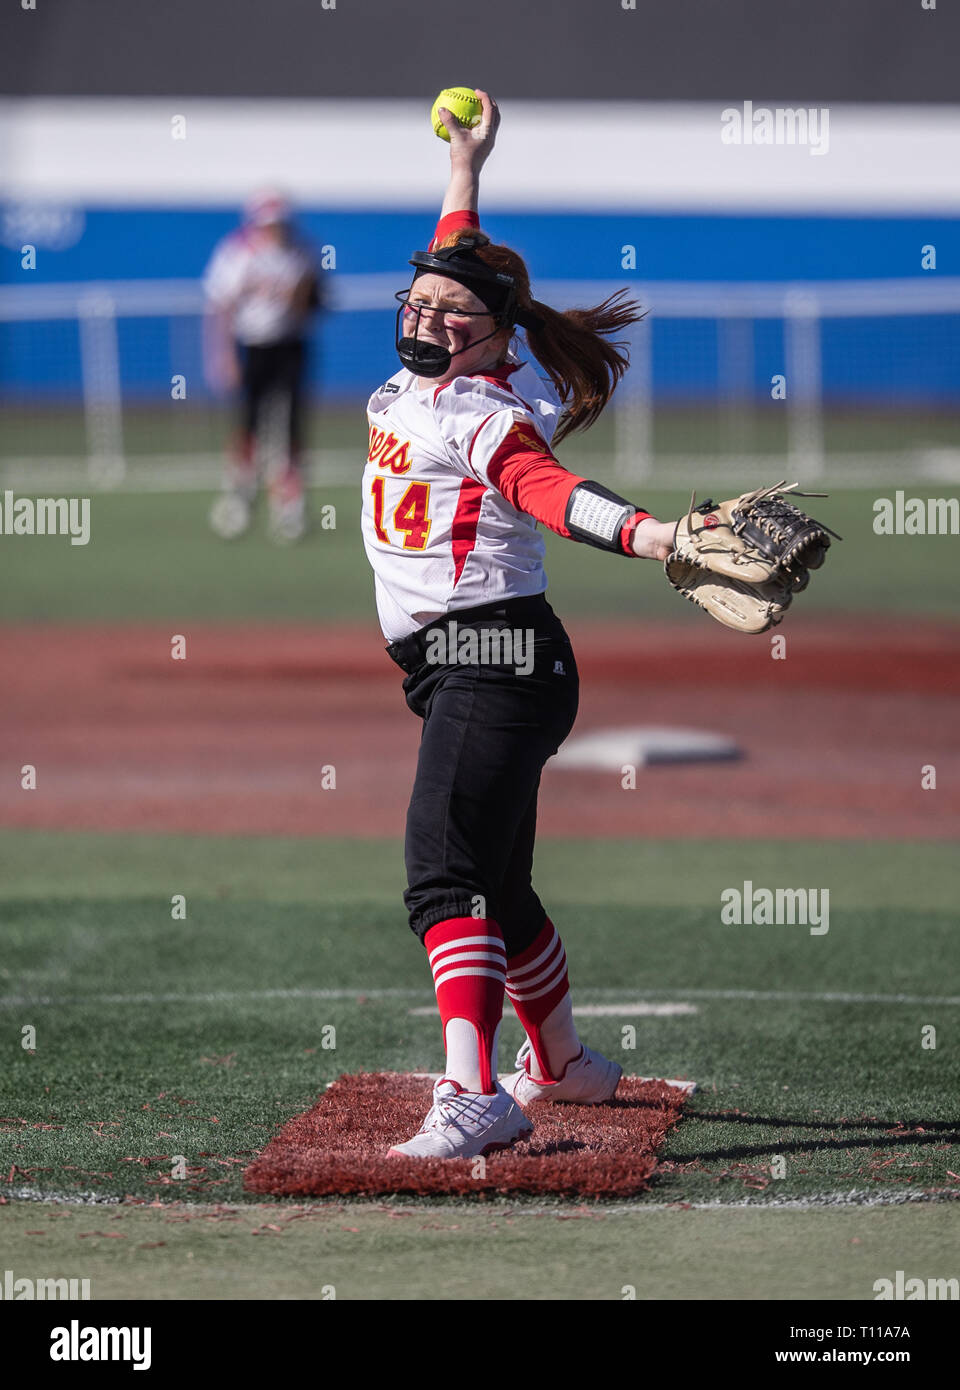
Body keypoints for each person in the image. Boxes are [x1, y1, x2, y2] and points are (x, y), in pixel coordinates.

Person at [363, 92, 679, 1160]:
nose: (427, 313)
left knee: (441, 871)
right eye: (422, 298)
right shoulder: (472, 348)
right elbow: (461, 254)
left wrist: (655, 537)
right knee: (498, 877)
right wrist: (465, 163)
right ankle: (565, 1063)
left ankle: (474, 1092)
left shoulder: (486, 409)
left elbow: (552, 492)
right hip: (487, 658)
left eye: (453, 313)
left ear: (493, 337)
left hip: (489, 655)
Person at [203, 190, 322, 543]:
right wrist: (222, 356)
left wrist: (303, 300)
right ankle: (241, 491)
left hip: (290, 346)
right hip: (251, 346)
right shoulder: (238, 252)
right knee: (248, 423)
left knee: (290, 425)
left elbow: (316, 301)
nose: (276, 230)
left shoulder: (302, 253)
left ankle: (289, 503)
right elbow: (221, 306)